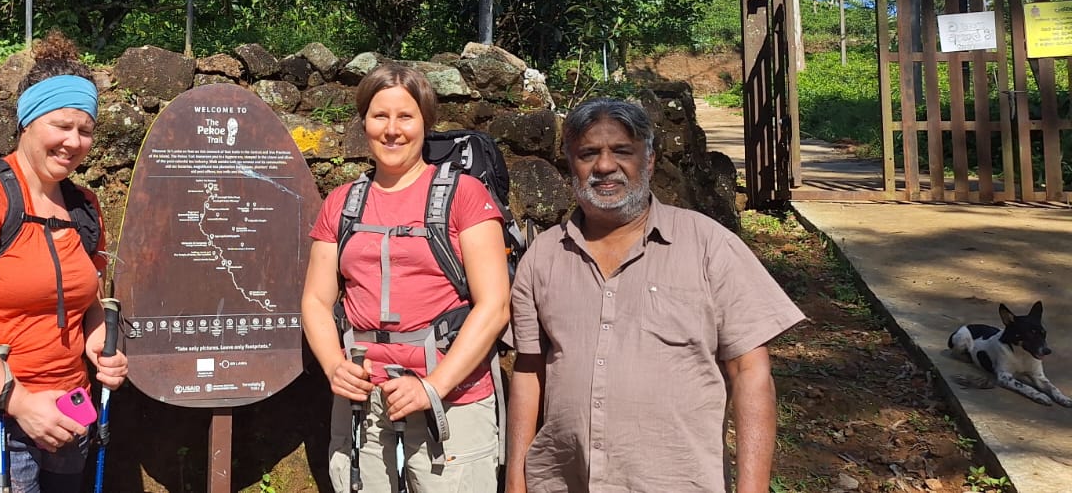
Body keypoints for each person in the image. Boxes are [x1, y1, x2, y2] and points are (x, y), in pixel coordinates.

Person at [505, 98, 805, 493]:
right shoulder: (543, 256)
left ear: (648, 161)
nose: (605, 166)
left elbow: (750, 372)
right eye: (588, 153)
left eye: (622, 151)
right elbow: (529, 371)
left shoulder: (708, 246)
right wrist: (515, 480)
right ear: (570, 164)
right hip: (564, 480)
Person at [0, 32, 129, 493]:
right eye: (61, 125)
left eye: (85, 130)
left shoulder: (83, 207)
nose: (74, 142)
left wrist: (100, 344)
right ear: (28, 121)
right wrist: (18, 401)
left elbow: (88, 300)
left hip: (69, 410)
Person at [301, 62, 511, 492]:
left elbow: (494, 306)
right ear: (364, 122)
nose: (392, 130)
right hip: (364, 403)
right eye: (380, 116)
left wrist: (432, 387)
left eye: (405, 116)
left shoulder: (465, 196)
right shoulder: (341, 203)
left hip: (452, 401)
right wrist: (335, 366)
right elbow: (316, 301)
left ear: (425, 122)